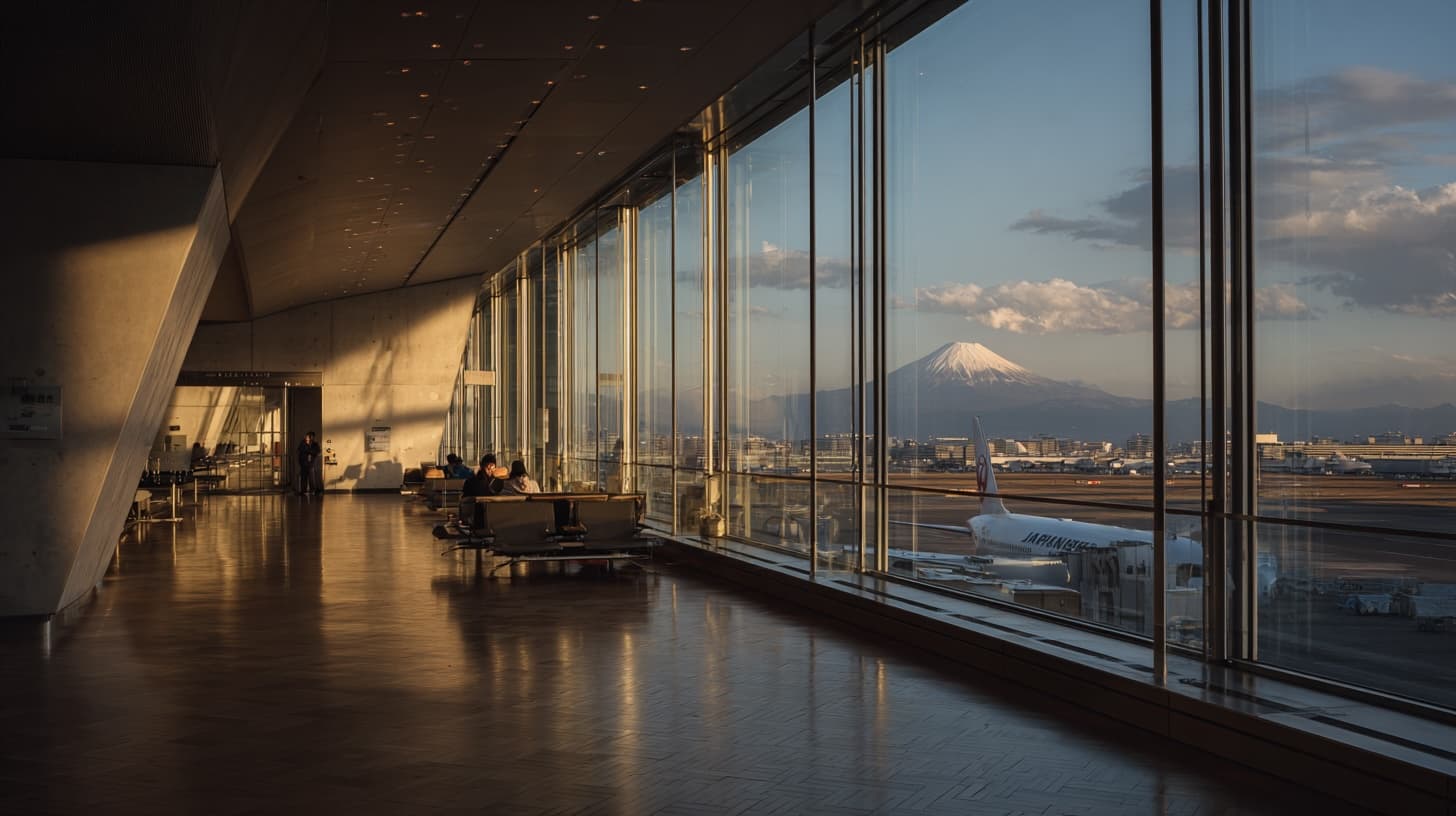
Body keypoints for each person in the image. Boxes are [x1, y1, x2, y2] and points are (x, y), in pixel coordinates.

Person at [296, 432, 321, 496]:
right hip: (303, 463)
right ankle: (303, 491)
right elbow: (300, 450)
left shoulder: (315, 444)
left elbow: (317, 451)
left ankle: (313, 490)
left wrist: (309, 451)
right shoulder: (303, 443)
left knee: (311, 478)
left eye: (310, 437)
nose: (309, 438)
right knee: (303, 478)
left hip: (311, 464)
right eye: (308, 437)